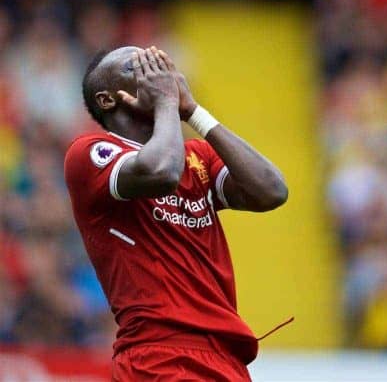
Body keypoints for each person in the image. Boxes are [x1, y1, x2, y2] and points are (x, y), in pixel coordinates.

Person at [64, 46, 288, 381]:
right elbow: (162, 172)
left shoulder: (196, 157)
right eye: (137, 66)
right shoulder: (90, 153)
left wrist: (194, 112)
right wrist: (167, 102)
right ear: (108, 99)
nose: (158, 71)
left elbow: (272, 190)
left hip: (227, 360)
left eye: (158, 62)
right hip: (160, 356)